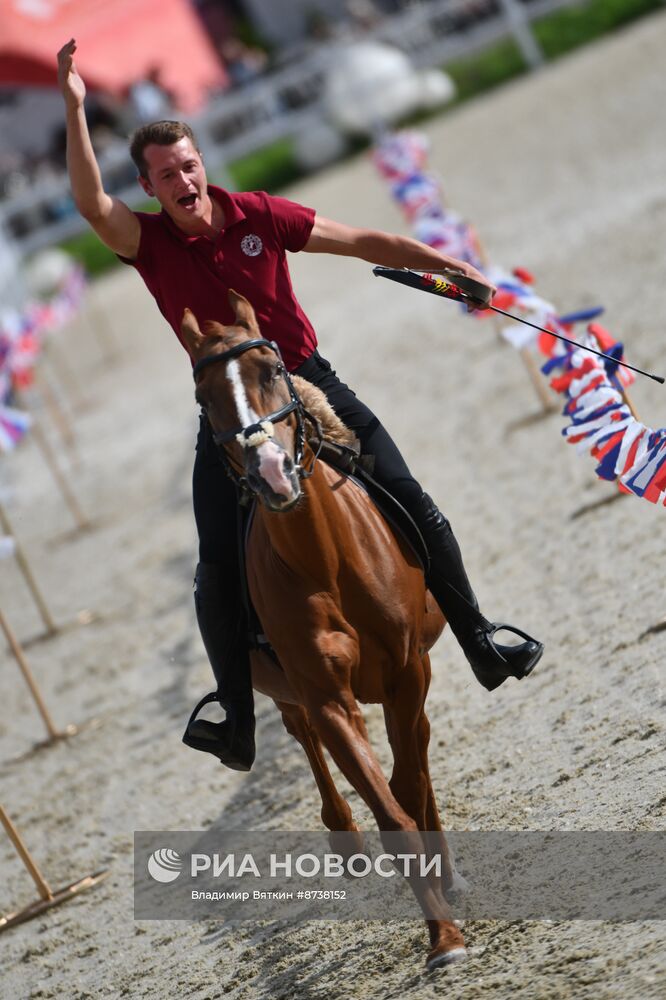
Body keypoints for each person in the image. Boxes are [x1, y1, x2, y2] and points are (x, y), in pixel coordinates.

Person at [57, 38, 543, 772]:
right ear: (150, 188)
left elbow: (363, 240)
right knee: (215, 566)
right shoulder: (146, 241)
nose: (182, 179)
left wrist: (448, 266)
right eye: (165, 175)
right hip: (230, 401)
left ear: (201, 166)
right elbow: (90, 203)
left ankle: (477, 636)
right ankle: (236, 714)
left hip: (308, 378)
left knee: (412, 497)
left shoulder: (258, 213)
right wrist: (72, 106)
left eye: (188, 165)